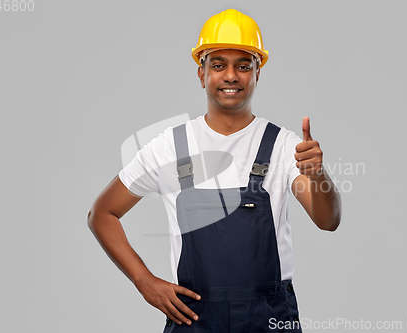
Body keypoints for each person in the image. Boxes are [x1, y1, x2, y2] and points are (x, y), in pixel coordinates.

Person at [87, 8, 341, 332]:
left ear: (257, 73)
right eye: (218, 65)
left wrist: (317, 174)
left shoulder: (282, 146)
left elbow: (327, 220)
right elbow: (102, 214)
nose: (231, 76)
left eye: (243, 66)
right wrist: (144, 281)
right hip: (194, 320)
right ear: (201, 72)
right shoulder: (170, 147)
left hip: (269, 320)